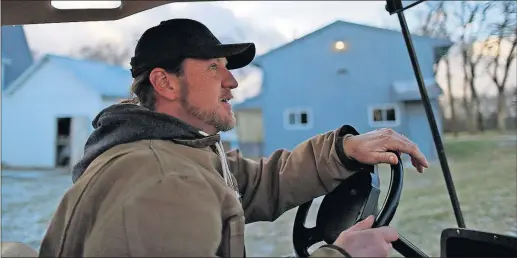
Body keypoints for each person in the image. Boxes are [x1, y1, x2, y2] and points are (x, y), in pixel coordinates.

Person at [38, 18, 428, 258]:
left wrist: (343, 151)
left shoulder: (182, 153)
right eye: (213, 68)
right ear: (164, 82)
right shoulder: (161, 179)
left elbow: (259, 183)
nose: (232, 82)